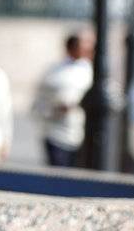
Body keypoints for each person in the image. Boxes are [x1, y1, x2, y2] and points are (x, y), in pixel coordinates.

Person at [33, 31, 94, 168]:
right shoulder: (54, 71)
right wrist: (55, 108)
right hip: (56, 134)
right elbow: (40, 100)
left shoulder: (89, 71)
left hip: (81, 135)